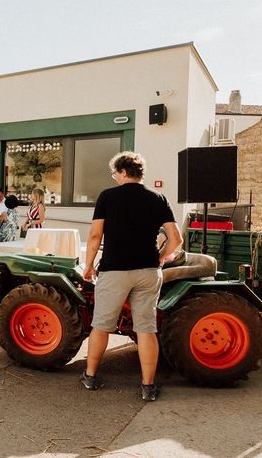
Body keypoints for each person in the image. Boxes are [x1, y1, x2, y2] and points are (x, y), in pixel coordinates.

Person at [81, 151, 183, 402]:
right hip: (148, 271)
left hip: (114, 270)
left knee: (102, 325)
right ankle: (148, 387)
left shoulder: (107, 197)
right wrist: (160, 258)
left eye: (115, 173)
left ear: (124, 172)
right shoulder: (158, 198)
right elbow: (176, 239)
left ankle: (90, 376)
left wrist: (88, 265)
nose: (114, 177)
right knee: (146, 328)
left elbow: (95, 236)